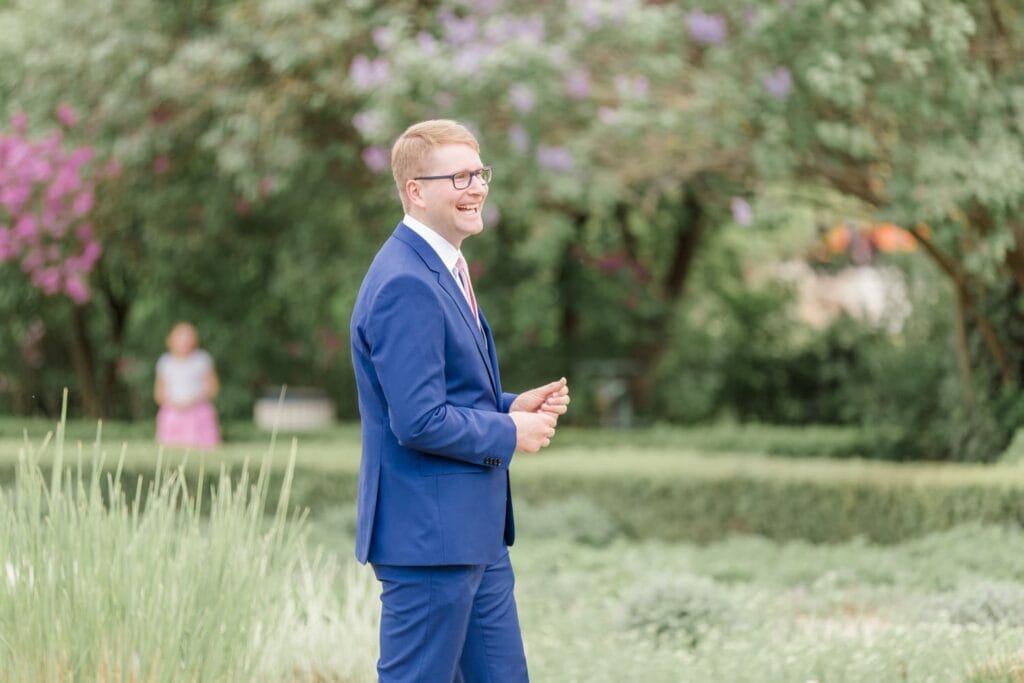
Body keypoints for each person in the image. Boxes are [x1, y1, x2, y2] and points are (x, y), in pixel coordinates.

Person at [350, 119, 571, 682]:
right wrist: (510, 434)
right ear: (415, 190)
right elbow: (418, 420)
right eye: (459, 176)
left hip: (476, 536)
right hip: (429, 544)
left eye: (479, 173)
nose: (476, 187)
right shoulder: (406, 282)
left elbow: (444, 394)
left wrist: (511, 405)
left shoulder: (444, 266)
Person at [154, 321, 222, 449]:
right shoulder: (165, 362)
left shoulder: (202, 359)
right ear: (171, 340)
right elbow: (159, 392)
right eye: (180, 337)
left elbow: (213, 387)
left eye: (188, 337)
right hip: (172, 411)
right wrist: (174, 404)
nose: (184, 341)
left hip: (198, 411)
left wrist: (193, 402)